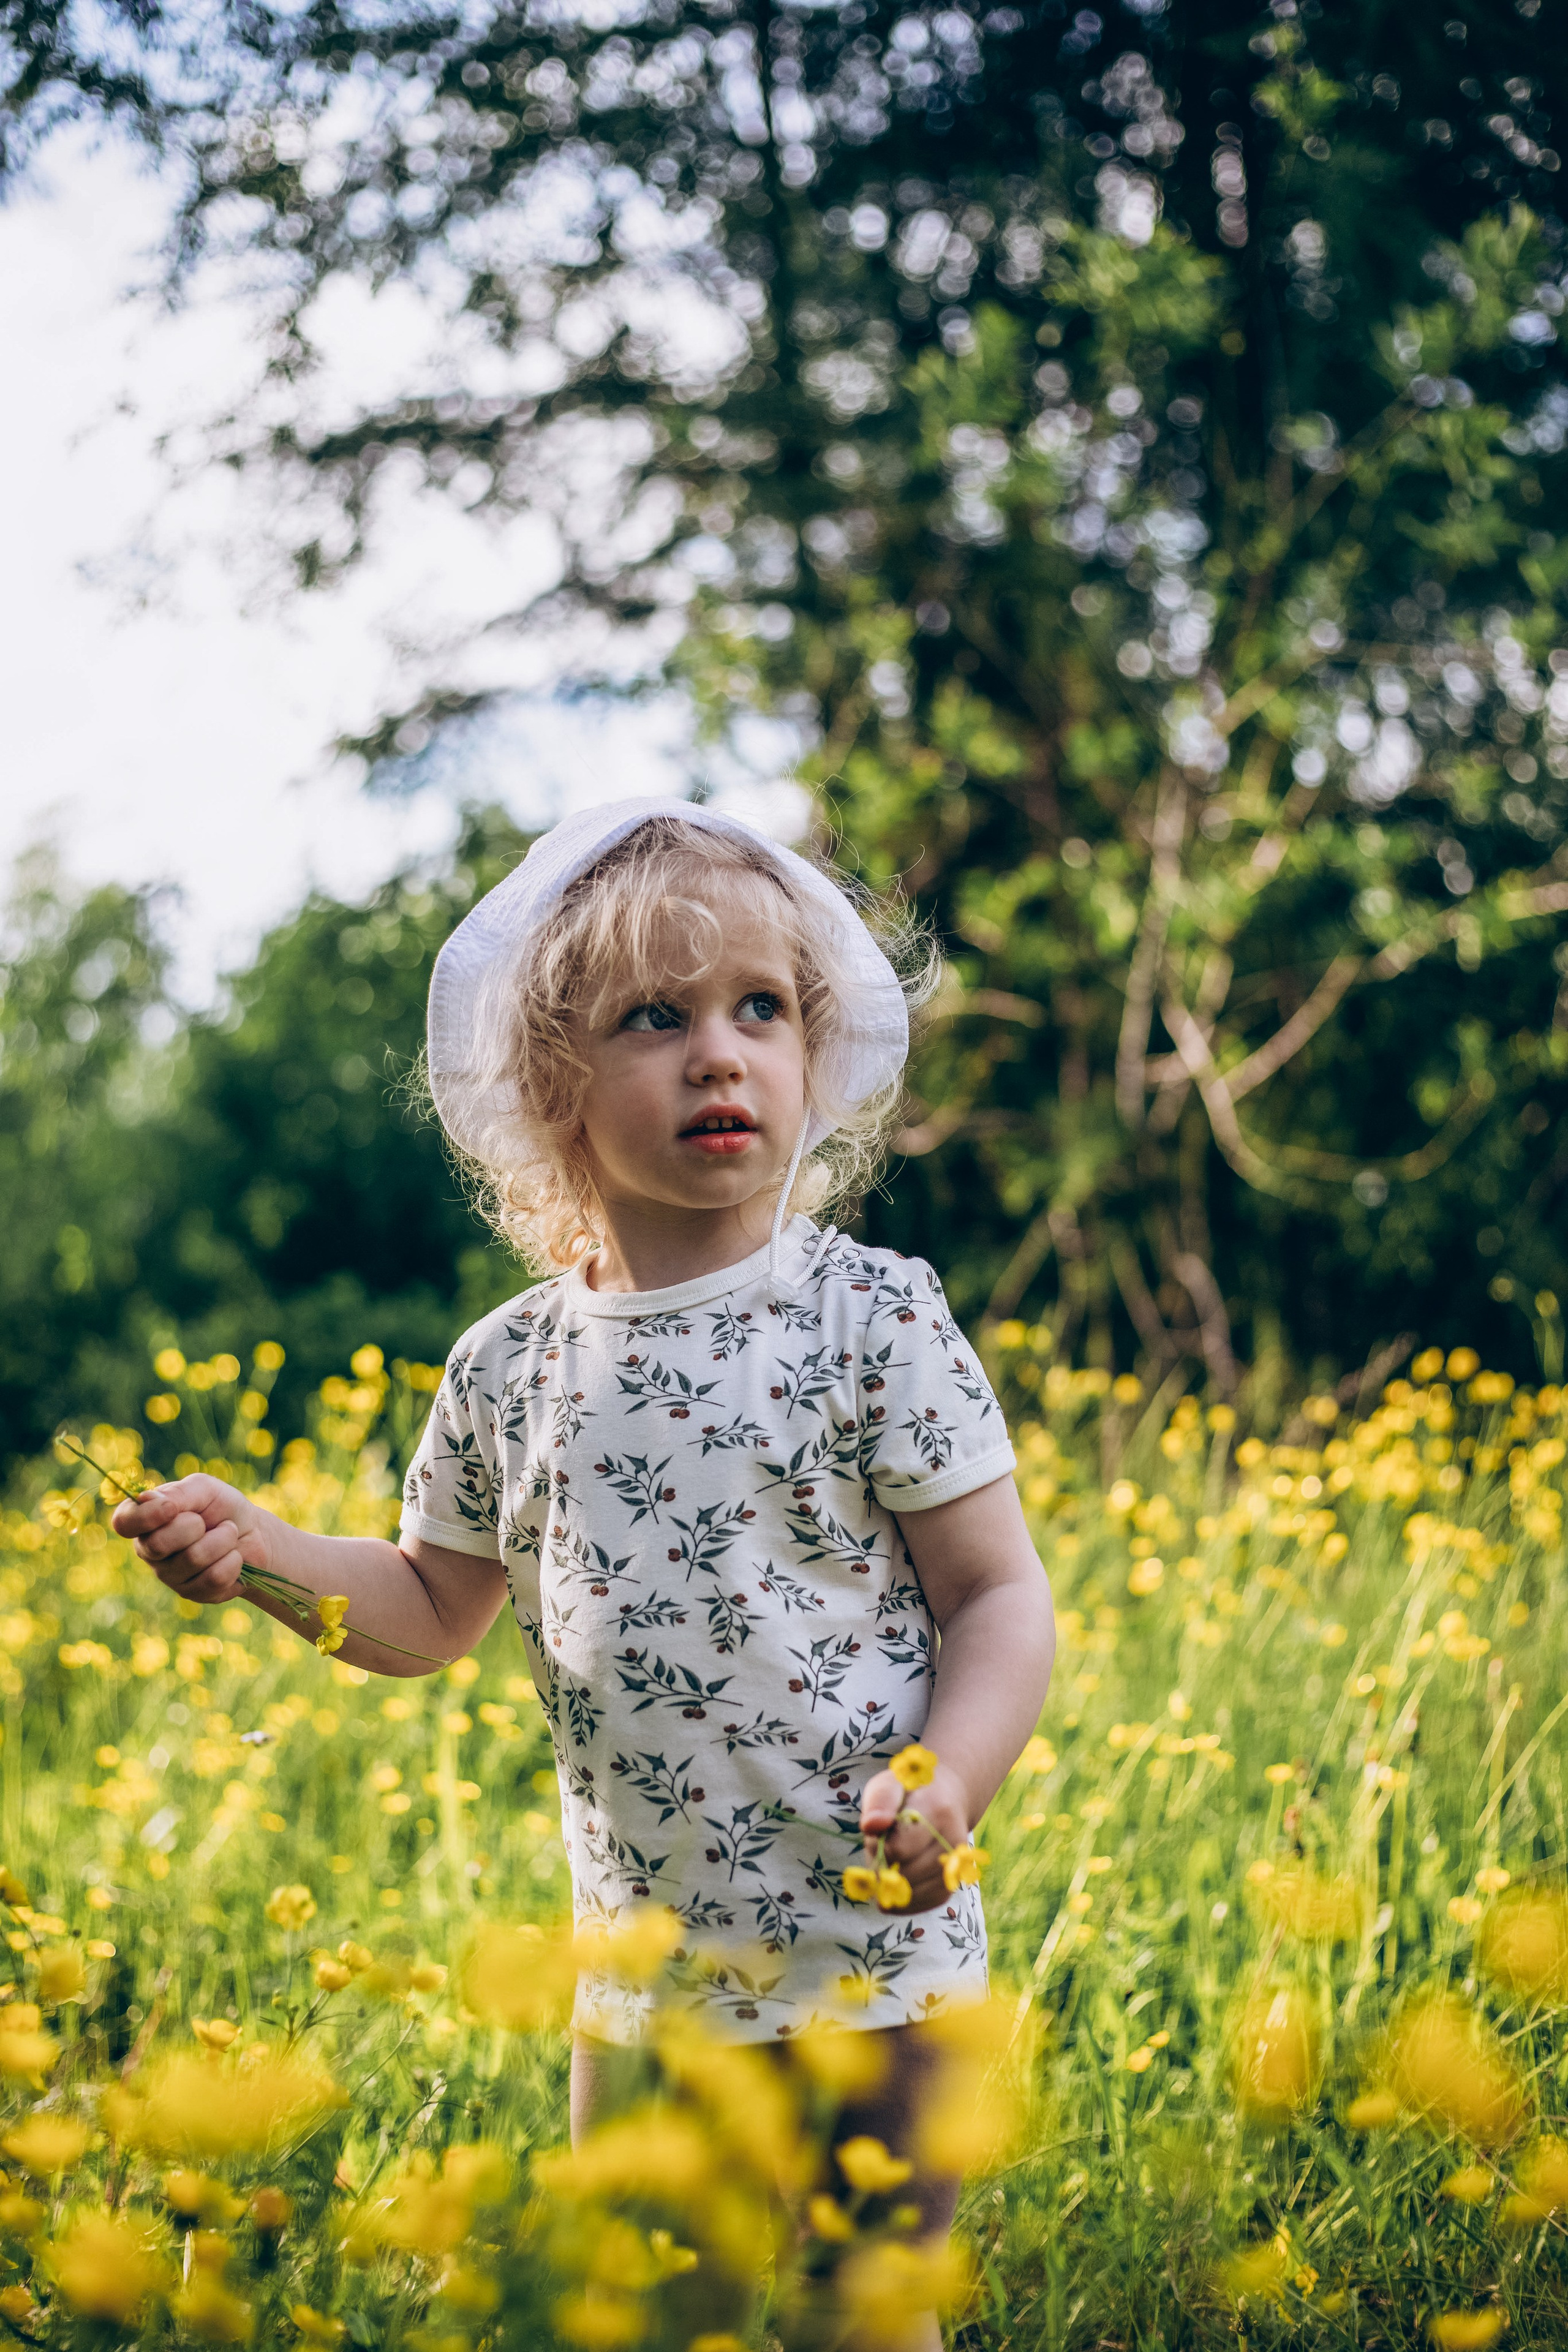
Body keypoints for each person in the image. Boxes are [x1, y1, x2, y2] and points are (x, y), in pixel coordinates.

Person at [112, 799, 1055, 2341]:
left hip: (872, 1963)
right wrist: (262, 1556)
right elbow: (425, 1609)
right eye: (652, 1017)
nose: (717, 1051)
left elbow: (996, 1598)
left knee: (864, 2319)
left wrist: (953, 1775)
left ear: (811, 1056)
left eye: (760, 1007)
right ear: (552, 1086)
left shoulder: (867, 1318)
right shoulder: (509, 1368)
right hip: (644, 1984)